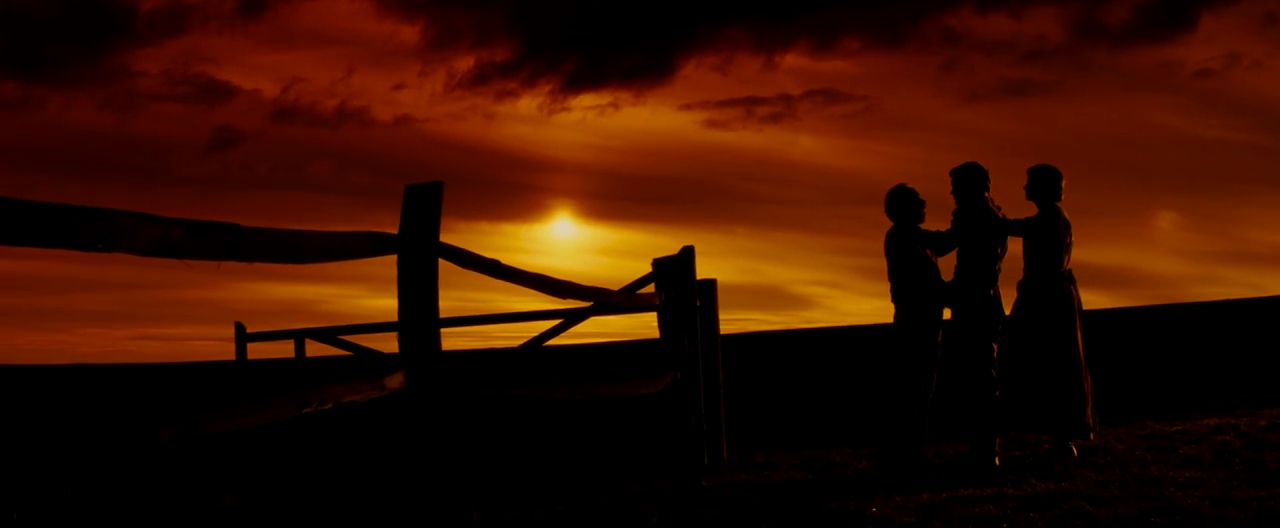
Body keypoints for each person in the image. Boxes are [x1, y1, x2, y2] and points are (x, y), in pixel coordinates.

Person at [996, 164, 1097, 462]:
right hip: (1049, 296)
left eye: (1029, 184)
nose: (1025, 189)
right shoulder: (1052, 217)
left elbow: (1015, 227)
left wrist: (992, 215)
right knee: (1055, 364)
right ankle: (1057, 436)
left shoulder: (1050, 218)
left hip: (1046, 298)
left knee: (1053, 364)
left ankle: (1059, 437)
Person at [879, 183, 956, 476]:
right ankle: (906, 455)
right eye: (916, 200)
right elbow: (925, 279)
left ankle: (911, 452)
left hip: (925, 318)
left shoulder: (912, 236)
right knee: (913, 388)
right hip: (915, 319)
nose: (924, 202)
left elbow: (945, 242)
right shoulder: (903, 236)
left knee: (921, 388)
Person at [936, 161, 1008, 472]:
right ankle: (985, 445)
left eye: (957, 186)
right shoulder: (994, 214)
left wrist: (910, 234)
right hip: (985, 299)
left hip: (975, 300)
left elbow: (945, 246)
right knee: (983, 375)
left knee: (980, 376)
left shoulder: (970, 214)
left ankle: (986, 448)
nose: (952, 193)